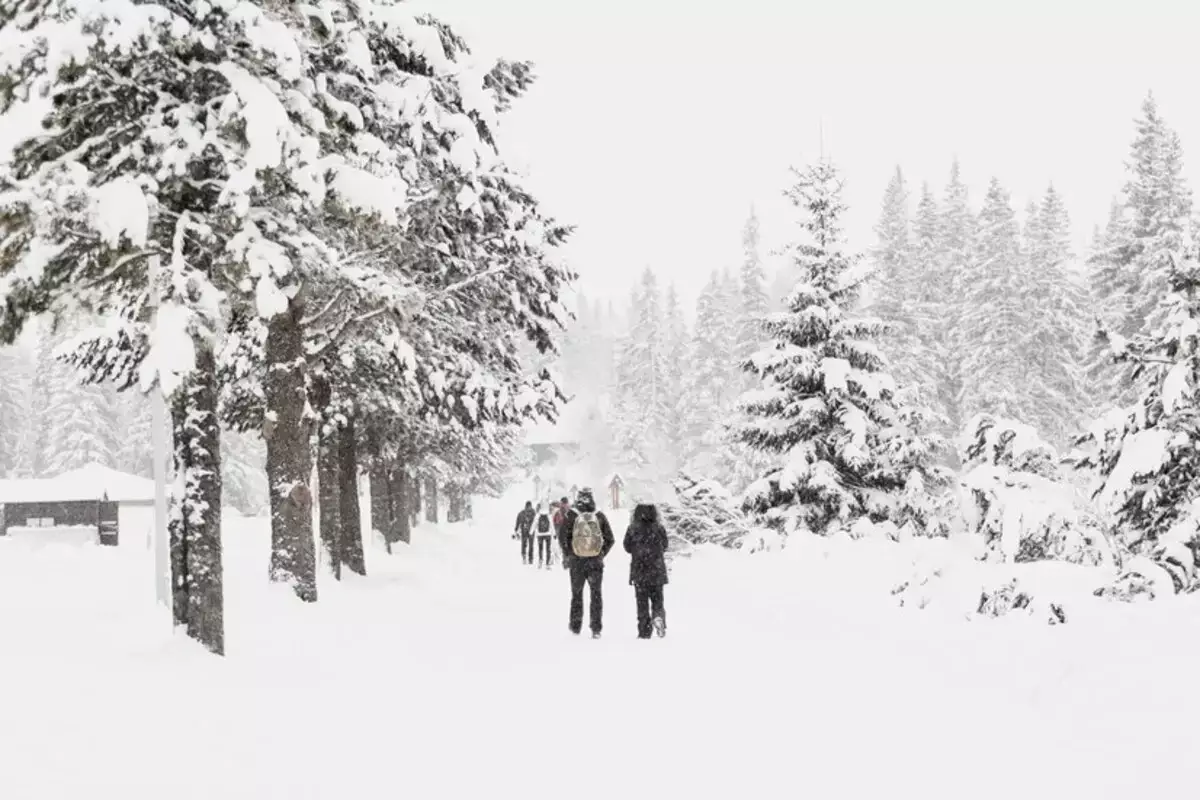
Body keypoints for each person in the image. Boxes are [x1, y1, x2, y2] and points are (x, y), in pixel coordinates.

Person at [558, 487, 614, 638]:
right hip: (595, 563)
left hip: (576, 562)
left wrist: (569, 554)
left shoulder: (572, 515)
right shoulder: (599, 515)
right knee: (596, 594)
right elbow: (610, 539)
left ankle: (575, 627)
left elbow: (562, 537)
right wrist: (600, 554)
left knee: (577, 594)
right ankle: (596, 628)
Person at [623, 503, 669, 639]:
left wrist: (638, 550)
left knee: (642, 602)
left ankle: (644, 630)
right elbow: (665, 545)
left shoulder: (632, 529)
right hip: (657, 571)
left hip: (640, 571)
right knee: (658, 599)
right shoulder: (659, 528)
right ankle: (658, 616)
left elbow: (627, 546)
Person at [553, 496, 571, 569]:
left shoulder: (558, 511)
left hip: (561, 530)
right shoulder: (570, 510)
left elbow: (555, 522)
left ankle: (566, 562)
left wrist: (556, 532)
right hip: (569, 531)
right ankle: (569, 562)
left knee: (564, 547)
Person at [534, 504, 554, 569]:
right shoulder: (549, 515)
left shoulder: (538, 515)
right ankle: (547, 563)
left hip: (540, 534)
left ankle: (540, 560)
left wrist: (530, 532)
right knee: (548, 549)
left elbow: (534, 524)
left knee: (540, 548)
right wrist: (554, 534)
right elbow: (552, 525)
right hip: (548, 534)